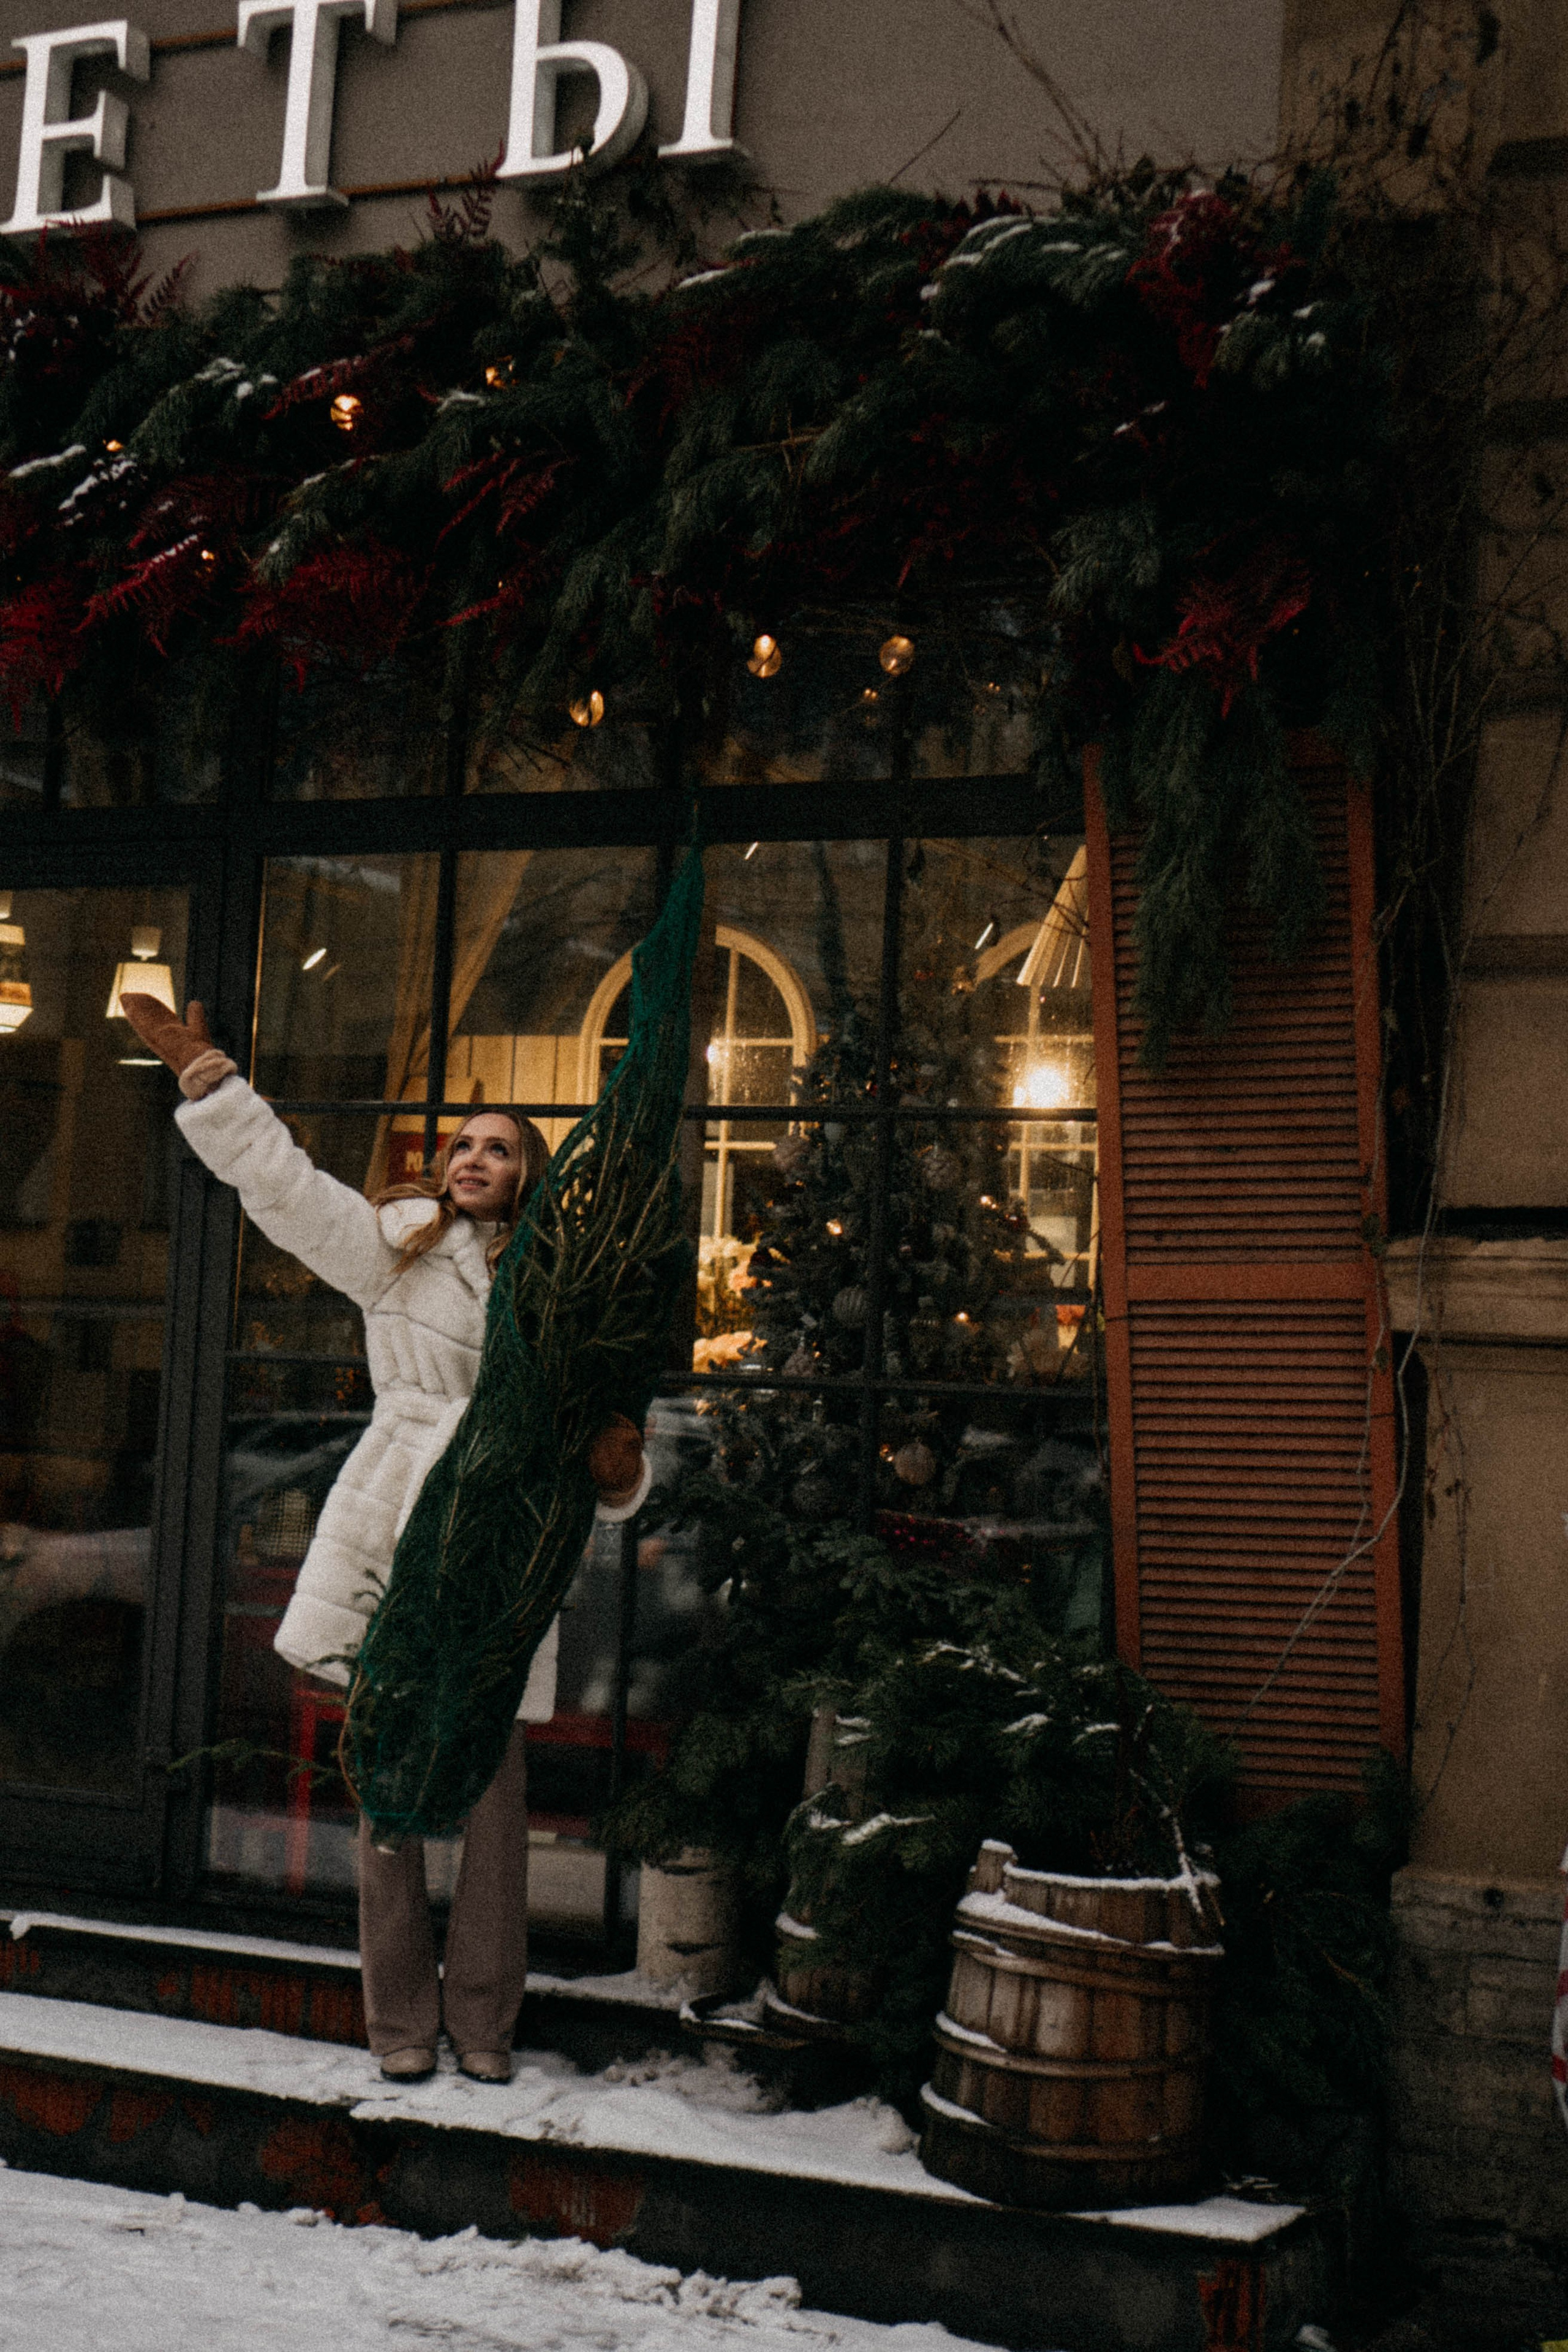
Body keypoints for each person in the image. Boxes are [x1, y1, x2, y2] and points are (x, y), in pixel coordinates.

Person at [122, 993, 649, 2086]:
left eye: (496, 1149)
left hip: (500, 1564)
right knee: (391, 1797)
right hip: (399, 1536)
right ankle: (400, 2020)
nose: (469, 1159)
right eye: (460, 1143)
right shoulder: (398, 1251)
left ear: (528, 1174)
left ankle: (487, 2026)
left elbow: (595, 1447)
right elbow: (287, 1191)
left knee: (495, 1811)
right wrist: (216, 1088)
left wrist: (618, 1472)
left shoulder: (559, 1285)